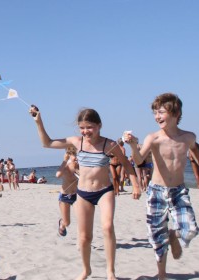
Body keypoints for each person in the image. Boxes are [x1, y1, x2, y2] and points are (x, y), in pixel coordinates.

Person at [29, 105, 140, 280]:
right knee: (84, 237)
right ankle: (86, 270)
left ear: (99, 126)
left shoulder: (109, 144)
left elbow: (126, 164)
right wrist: (38, 121)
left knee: (108, 227)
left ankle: (110, 272)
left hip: (104, 191)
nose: (86, 131)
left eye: (90, 127)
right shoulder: (76, 142)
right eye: (82, 128)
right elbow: (47, 143)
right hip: (83, 194)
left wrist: (135, 185)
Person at [124, 93, 199, 280]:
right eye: (155, 112)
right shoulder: (153, 138)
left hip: (179, 191)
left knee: (190, 230)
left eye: (161, 112)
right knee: (157, 239)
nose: (157, 116)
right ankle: (162, 276)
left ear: (176, 113)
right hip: (156, 191)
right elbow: (139, 159)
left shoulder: (188, 137)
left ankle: (173, 234)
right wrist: (133, 144)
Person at [55, 146, 79, 237]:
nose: (77, 157)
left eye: (78, 155)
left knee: (81, 218)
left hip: (76, 195)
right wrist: (64, 161)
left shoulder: (79, 165)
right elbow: (57, 175)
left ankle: (82, 240)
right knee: (67, 222)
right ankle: (62, 223)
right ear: (68, 155)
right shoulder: (66, 166)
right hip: (65, 196)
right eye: (74, 155)